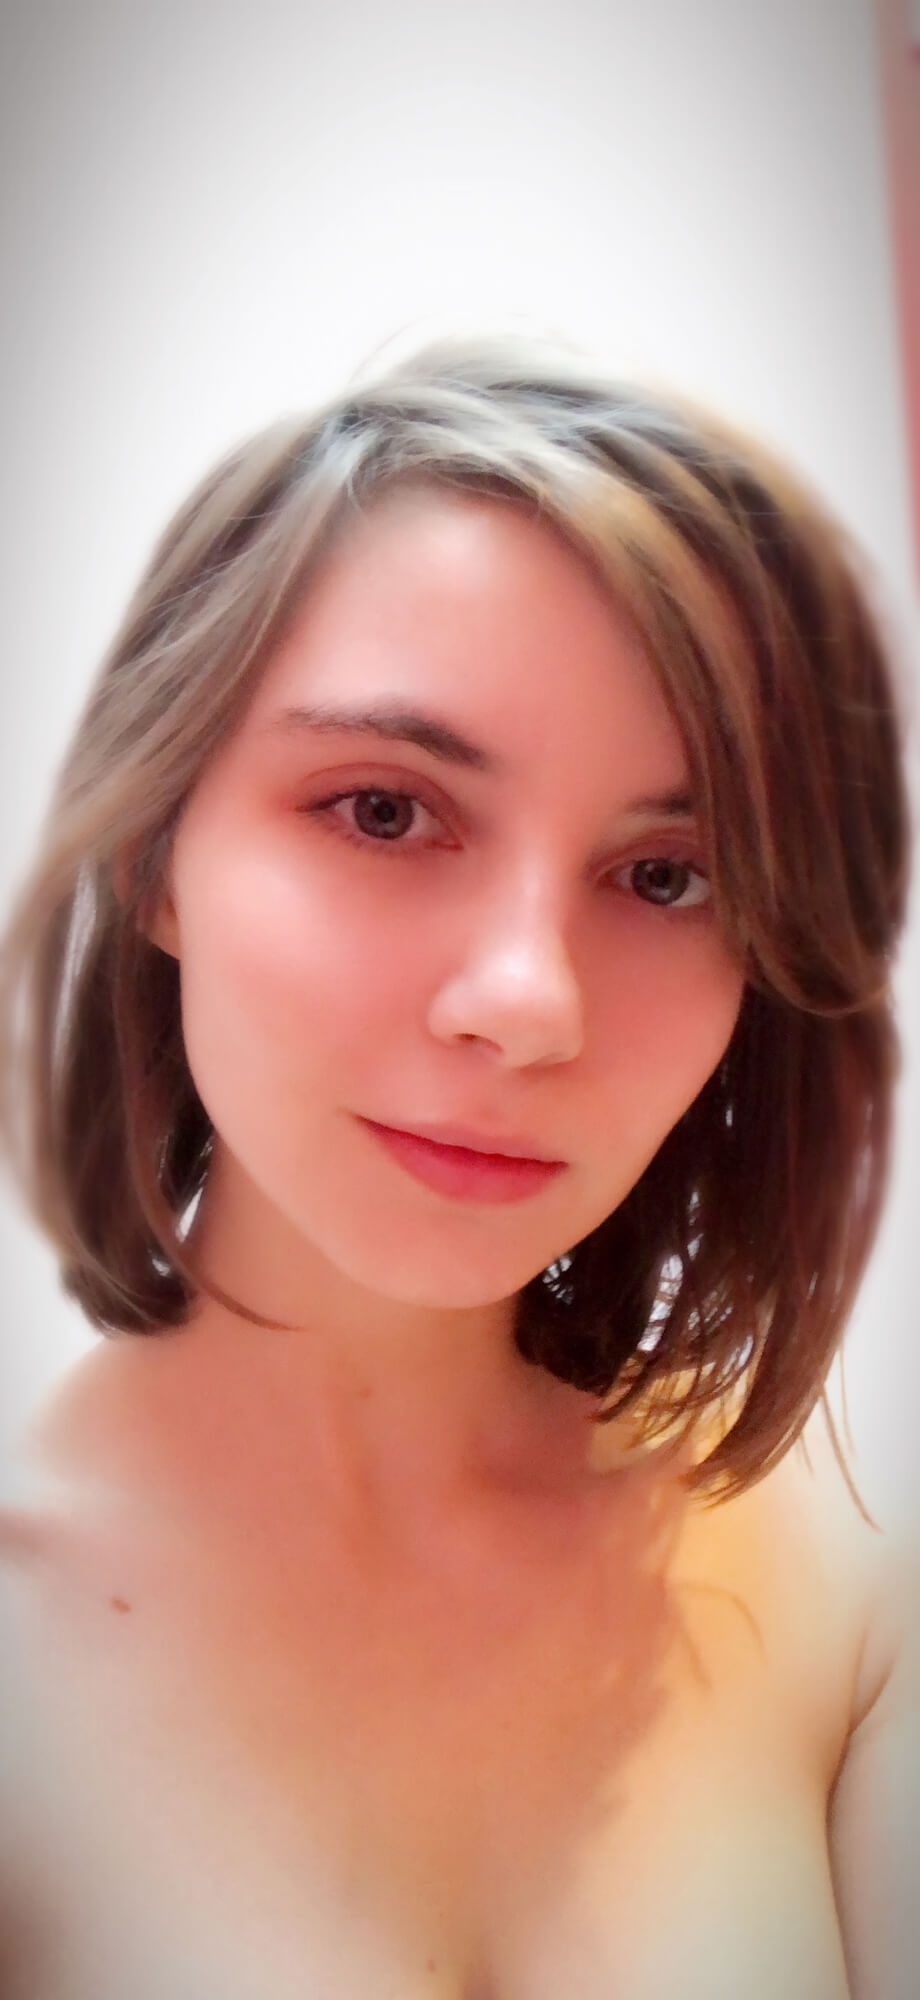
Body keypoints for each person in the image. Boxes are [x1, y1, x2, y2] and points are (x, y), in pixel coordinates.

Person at [0, 323, 915, 1999]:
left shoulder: (846, 1591)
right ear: (155, 856)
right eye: (384, 810)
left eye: (666, 876)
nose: (529, 1001)